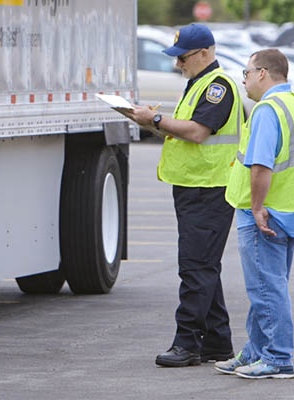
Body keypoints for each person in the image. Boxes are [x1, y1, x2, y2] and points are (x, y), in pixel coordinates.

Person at [127, 23, 244, 367]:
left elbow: (196, 131)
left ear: (205, 53)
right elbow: (182, 129)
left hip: (209, 188)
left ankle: (187, 343)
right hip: (196, 187)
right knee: (204, 266)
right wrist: (149, 120)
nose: (178, 64)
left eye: (183, 58)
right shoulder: (198, 84)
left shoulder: (217, 87)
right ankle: (218, 342)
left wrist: (158, 118)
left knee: (195, 267)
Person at [215, 49, 294, 379]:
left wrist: (257, 208)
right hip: (292, 207)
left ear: (263, 73)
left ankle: (277, 357)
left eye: (247, 73)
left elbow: (261, 165)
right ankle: (256, 351)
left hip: (265, 211)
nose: (243, 79)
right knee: (268, 285)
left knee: (266, 288)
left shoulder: (267, 110)